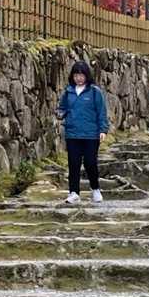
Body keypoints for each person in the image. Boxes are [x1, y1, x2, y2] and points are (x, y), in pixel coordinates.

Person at [56, 60, 108, 205]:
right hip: (72, 133)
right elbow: (62, 108)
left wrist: (103, 130)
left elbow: (101, 112)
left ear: (87, 75)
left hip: (91, 134)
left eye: (81, 75)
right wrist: (60, 114)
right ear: (72, 76)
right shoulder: (68, 92)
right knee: (73, 164)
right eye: (76, 75)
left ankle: (95, 189)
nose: (79, 78)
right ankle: (74, 192)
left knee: (90, 163)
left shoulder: (94, 92)